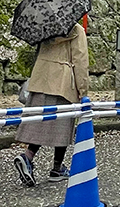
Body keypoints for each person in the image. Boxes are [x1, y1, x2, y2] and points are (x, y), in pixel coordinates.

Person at [13, 22, 89, 187]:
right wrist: (83, 90)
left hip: (41, 78)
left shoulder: (45, 25)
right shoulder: (76, 30)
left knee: (40, 122)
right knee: (63, 124)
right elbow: (80, 59)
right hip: (62, 81)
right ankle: (57, 168)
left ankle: (28, 156)